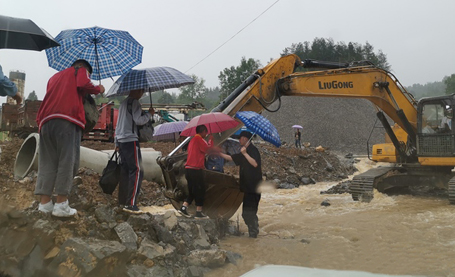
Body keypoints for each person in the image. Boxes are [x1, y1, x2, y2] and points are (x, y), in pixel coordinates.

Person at [35, 59, 105, 217]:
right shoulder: (80, 70)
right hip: (67, 119)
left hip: (45, 121)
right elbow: (83, 84)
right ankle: (61, 204)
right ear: (83, 67)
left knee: (47, 161)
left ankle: (45, 204)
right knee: (68, 160)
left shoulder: (54, 77)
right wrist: (97, 88)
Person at [115, 89, 155, 214]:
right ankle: (131, 204)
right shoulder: (135, 103)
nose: (142, 93)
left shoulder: (123, 103)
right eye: (141, 91)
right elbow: (138, 120)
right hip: (131, 140)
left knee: (125, 171)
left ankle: (123, 202)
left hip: (121, 140)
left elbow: (118, 124)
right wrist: (149, 114)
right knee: (137, 170)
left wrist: (116, 142)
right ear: (137, 91)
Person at [219, 131, 262, 238]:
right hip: (247, 188)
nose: (239, 141)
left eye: (240, 138)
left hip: (254, 187)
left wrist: (245, 154)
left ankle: (253, 233)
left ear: (245, 139)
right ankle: (254, 230)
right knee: (248, 213)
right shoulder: (244, 151)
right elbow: (231, 158)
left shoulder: (252, 150)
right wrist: (218, 153)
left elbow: (255, 164)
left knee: (248, 213)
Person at [179, 124, 211, 219]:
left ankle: (184, 207)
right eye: (206, 132)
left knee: (192, 190)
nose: (207, 134)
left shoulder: (192, 140)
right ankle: (198, 212)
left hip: (188, 169)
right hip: (196, 169)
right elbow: (208, 149)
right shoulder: (199, 140)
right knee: (200, 190)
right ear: (203, 131)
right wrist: (211, 141)